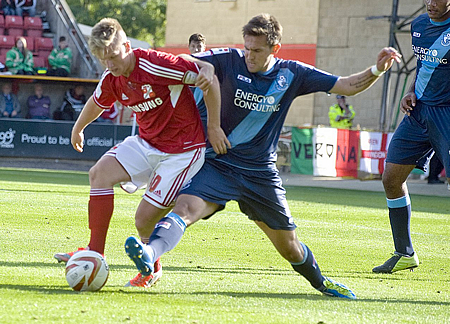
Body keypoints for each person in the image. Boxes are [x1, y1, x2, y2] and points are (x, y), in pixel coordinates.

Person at [124, 13, 401, 299]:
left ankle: (321, 283)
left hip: (260, 174)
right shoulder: (228, 59)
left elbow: (346, 85)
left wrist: (377, 70)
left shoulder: (293, 73)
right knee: (185, 209)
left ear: (275, 49)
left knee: (289, 247)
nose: (249, 56)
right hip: (218, 163)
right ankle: (149, 255)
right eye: (247, 48)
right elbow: (184, 63)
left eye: (256, 51)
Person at [53, 18, 227, 290]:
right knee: (99, 174)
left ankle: (152, 267)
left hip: (182, 151)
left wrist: (214, 127)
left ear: (127, 46)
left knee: (143, 221)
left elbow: (209, 79)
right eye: (103, 59)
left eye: (113, 56)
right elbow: (97, 102)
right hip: (147, 143)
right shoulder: (111, 76)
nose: (110, 64)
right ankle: (95, 252)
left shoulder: (157, 63)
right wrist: (78, 128)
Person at [372, 0, 450, 274]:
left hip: (447, 114)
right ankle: (404, 252)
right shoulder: (418, 25)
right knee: (391, 178)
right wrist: (411, 91)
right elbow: (423, 65)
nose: (431, 3)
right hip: (419, 112)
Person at [188, 33, 207, 133]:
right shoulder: (183, 65)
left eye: (199, 46)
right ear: (189, 47)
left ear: (204, 47)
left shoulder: (210, 67)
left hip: (204, 115)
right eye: (193, 46)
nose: (196, 50)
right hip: (187, 114)